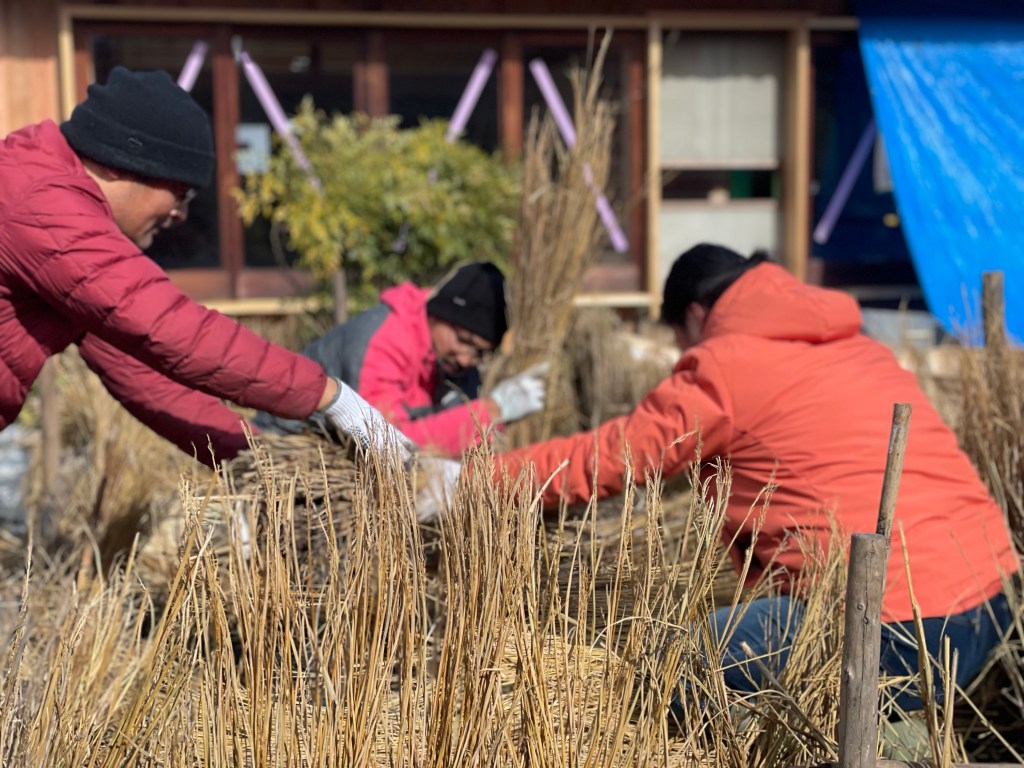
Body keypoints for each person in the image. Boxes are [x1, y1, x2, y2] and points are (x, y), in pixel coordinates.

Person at [452, 243, 1018, 711]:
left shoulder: (727, 363)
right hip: (991, 602)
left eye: (679, 338)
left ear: (697, 314)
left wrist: (474, 478)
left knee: (668, 668)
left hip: (890, 631)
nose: (681, 354)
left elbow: (615, 455)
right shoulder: (858, 347)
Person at [0, 66, 412, 469]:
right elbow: (171, 329)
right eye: (180, 192)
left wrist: (262, 461)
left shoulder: (53, 220)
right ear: (118, 160)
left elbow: (147, 380)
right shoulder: (41, 203)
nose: (179, 214)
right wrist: (330, 396)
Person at [254, 261, 548, 458]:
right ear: (437, 315)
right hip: (287, 449)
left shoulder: (454, 361)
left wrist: (495, 420)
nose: (466, 358)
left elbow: (457, 441)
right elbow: (389, 445)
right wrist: (491, 412)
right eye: (463, 341)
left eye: (480, 352)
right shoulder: (383, 339)